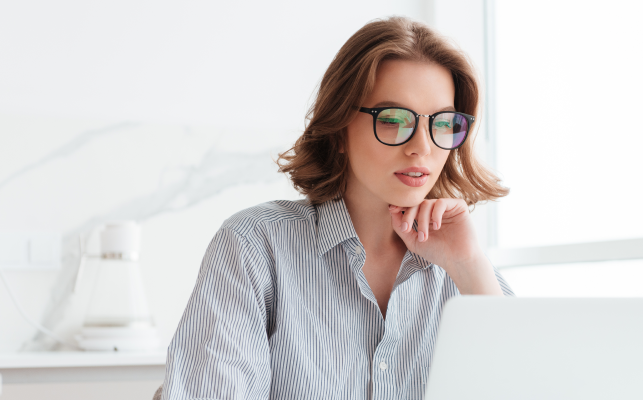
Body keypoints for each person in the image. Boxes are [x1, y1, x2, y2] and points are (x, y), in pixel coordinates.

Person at [156, 16, 515, 400]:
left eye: (443, 123)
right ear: (340, 129)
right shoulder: (255, 247)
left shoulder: (464, 268)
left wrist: (471, 268)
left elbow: (529, 383)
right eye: (393, 120)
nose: (422, 147)